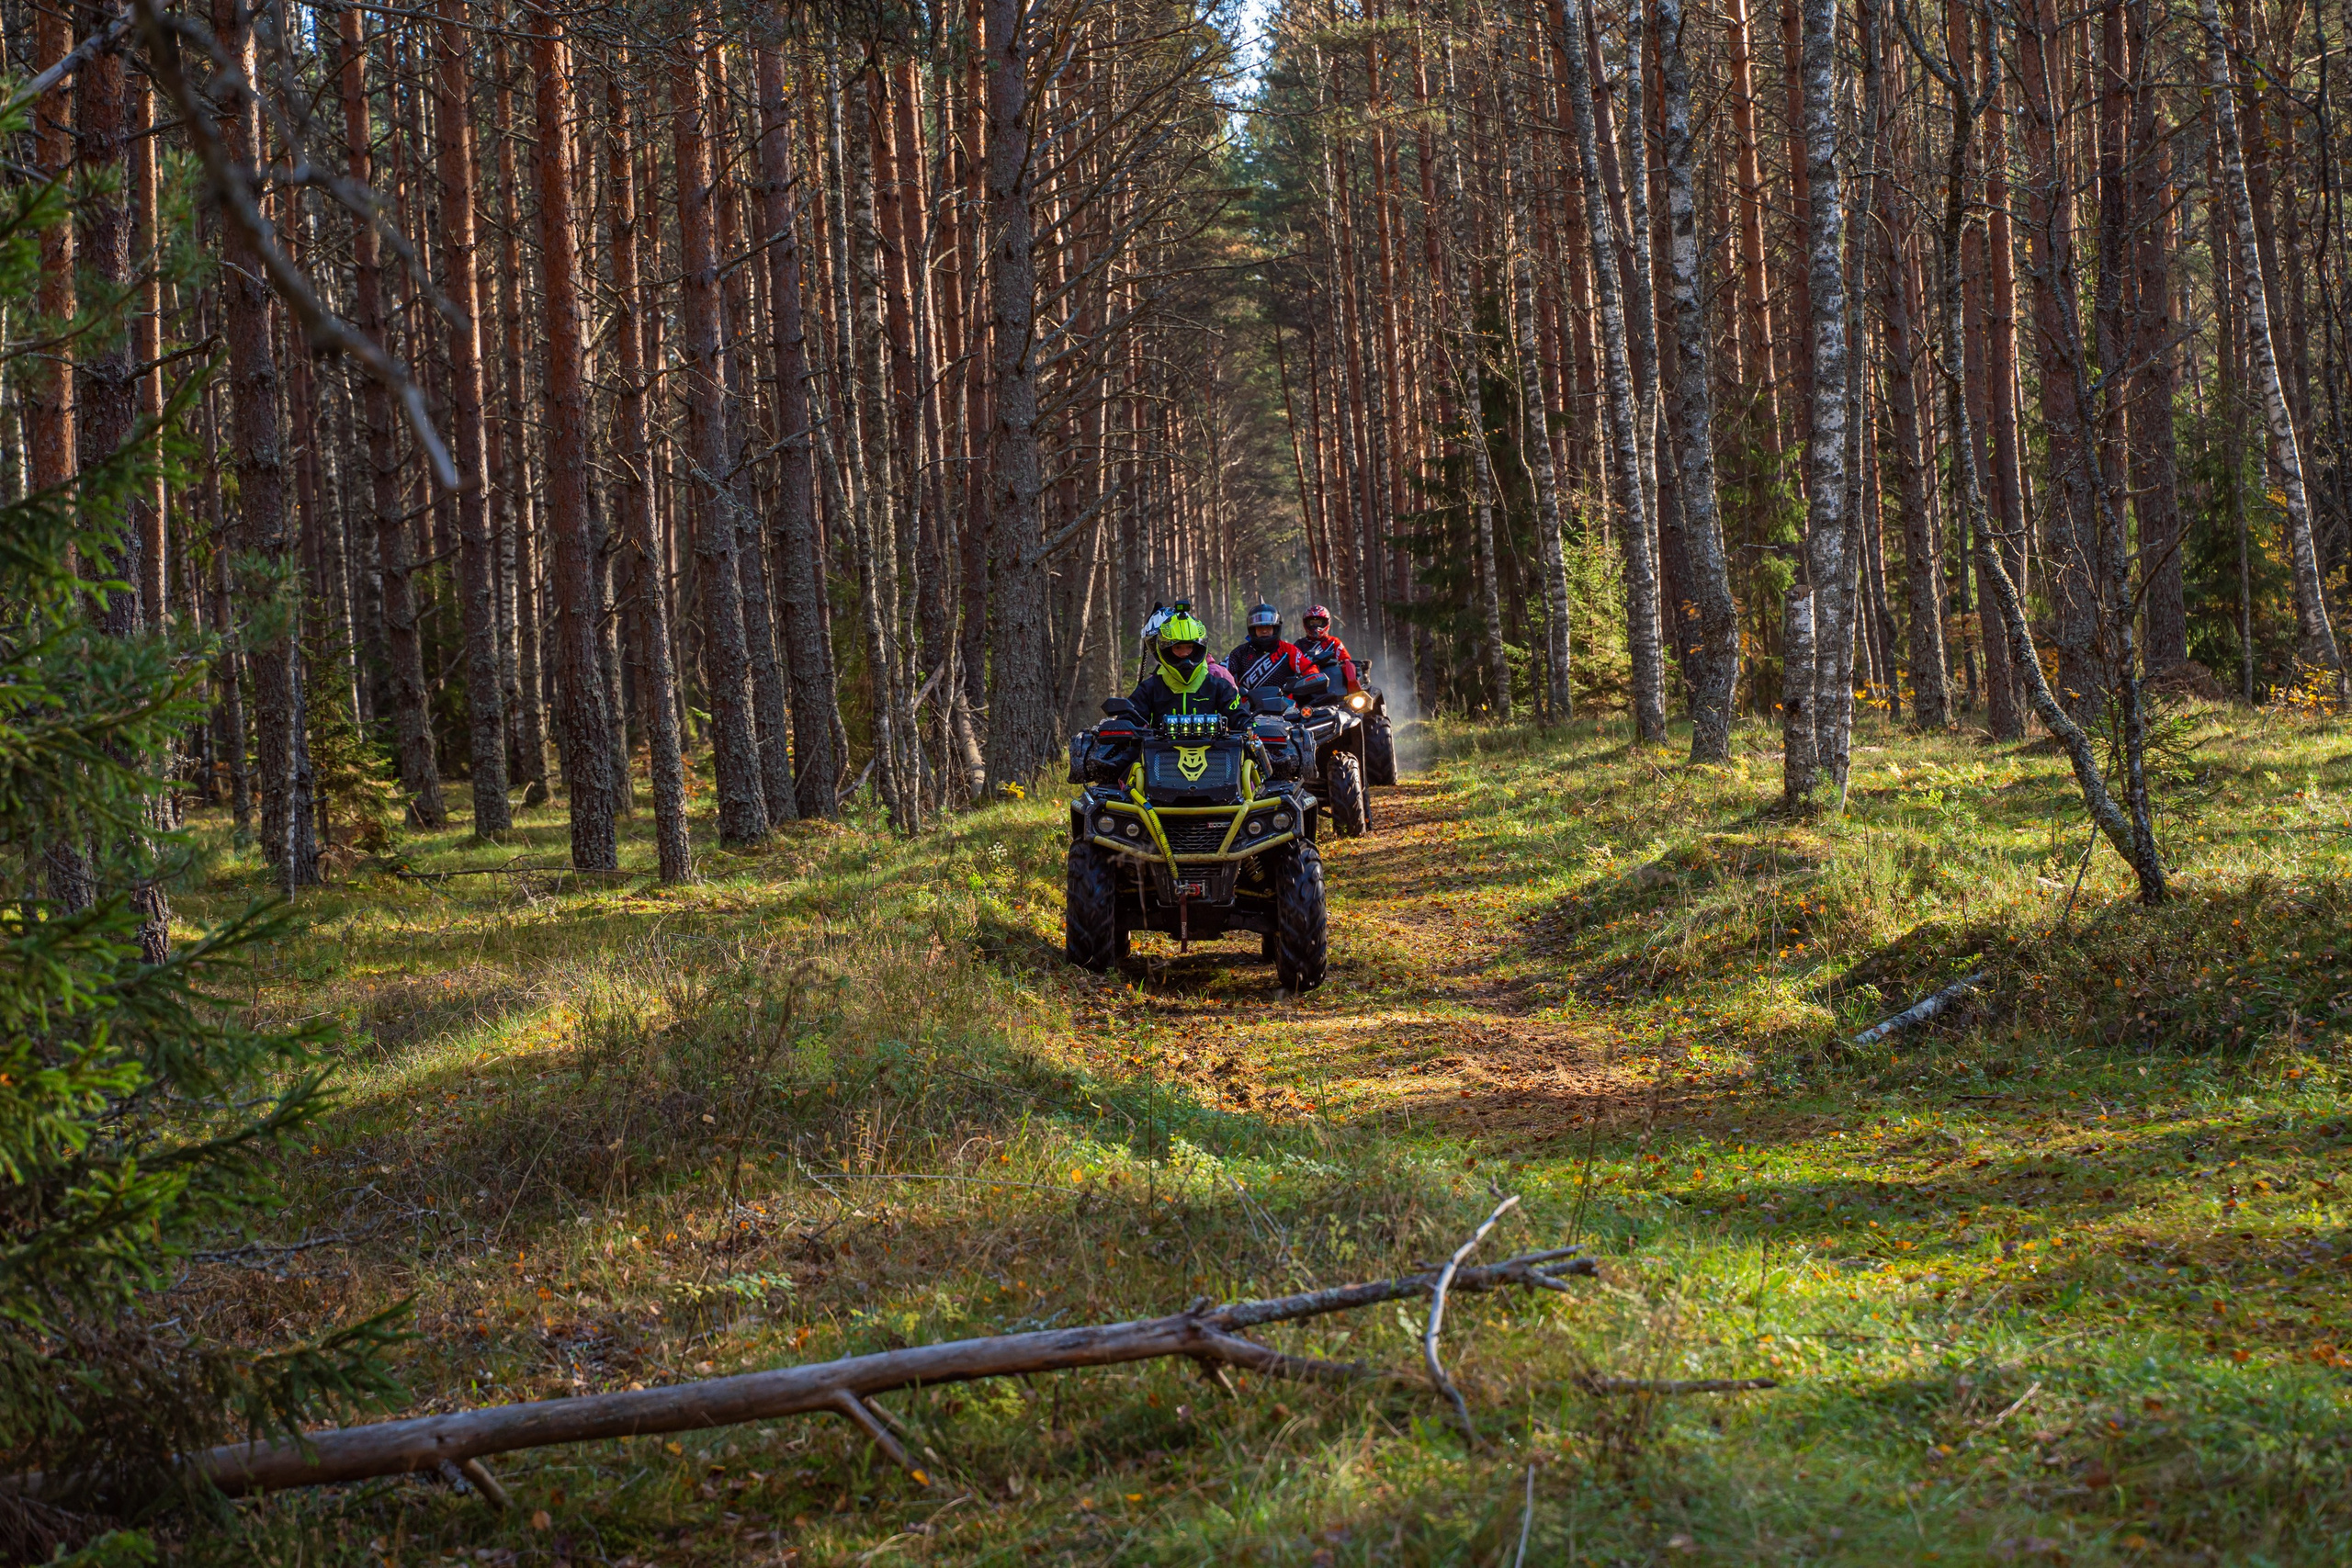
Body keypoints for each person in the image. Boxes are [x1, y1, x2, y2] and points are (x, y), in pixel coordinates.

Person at [1127, 612, 1248, 728]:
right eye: (1178, 647)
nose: (1184, 653)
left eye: (1189, 647)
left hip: (1215, 748)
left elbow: (1241, 718)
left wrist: (1251, 727)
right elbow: (1128, 719)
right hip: (1161, 749)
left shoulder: (1220, 686)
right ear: (1167, 650)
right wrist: (1120, 726)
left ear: (1198, 649)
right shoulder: (1149, 688)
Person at [1226, 603, 1315, 695]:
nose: (1264, 631)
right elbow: (1222, 672)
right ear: (1253, 629)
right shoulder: (1240, 652)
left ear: (1275, 628)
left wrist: (1312, 681)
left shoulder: (1288, 650)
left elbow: (1308, 668)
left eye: (1268, 627)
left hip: (1286, 705)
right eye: (1260, 627)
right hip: (1248, 707)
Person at [1295, 604, 1359, 693]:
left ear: (1326, 622)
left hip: (1335, 687)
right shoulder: (1299, 644)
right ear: (1305, 624)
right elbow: (1292, 666)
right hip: (1307, 690)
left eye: (1319, 622)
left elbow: (1346, 661)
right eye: (1312, 623)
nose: (1315, 626)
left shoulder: (1334, 642)